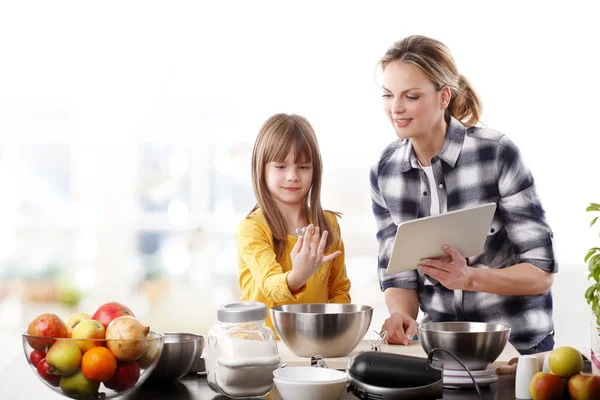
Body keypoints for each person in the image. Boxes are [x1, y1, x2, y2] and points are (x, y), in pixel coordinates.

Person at [371, 35, 557, 355]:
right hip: (442, 348)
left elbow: (540, 273)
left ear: (444, 97)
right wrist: (401, 315)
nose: (396, 108)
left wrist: (470, 278)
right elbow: (398, 273)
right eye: (388, 95)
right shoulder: (386, 171)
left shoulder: (495, 154)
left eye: (411, 96)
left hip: (518, 347)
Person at [237, 113, 351, 332]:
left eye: (303, 167)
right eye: (280, 166)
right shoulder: (252, 229)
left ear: (315, 171)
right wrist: (300, 274)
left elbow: (339, 290)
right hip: (263, 348)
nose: (292, 176)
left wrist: (333, 331)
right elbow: (270, 286)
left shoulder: (328, 224)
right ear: (261, 169)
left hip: (315, 344)